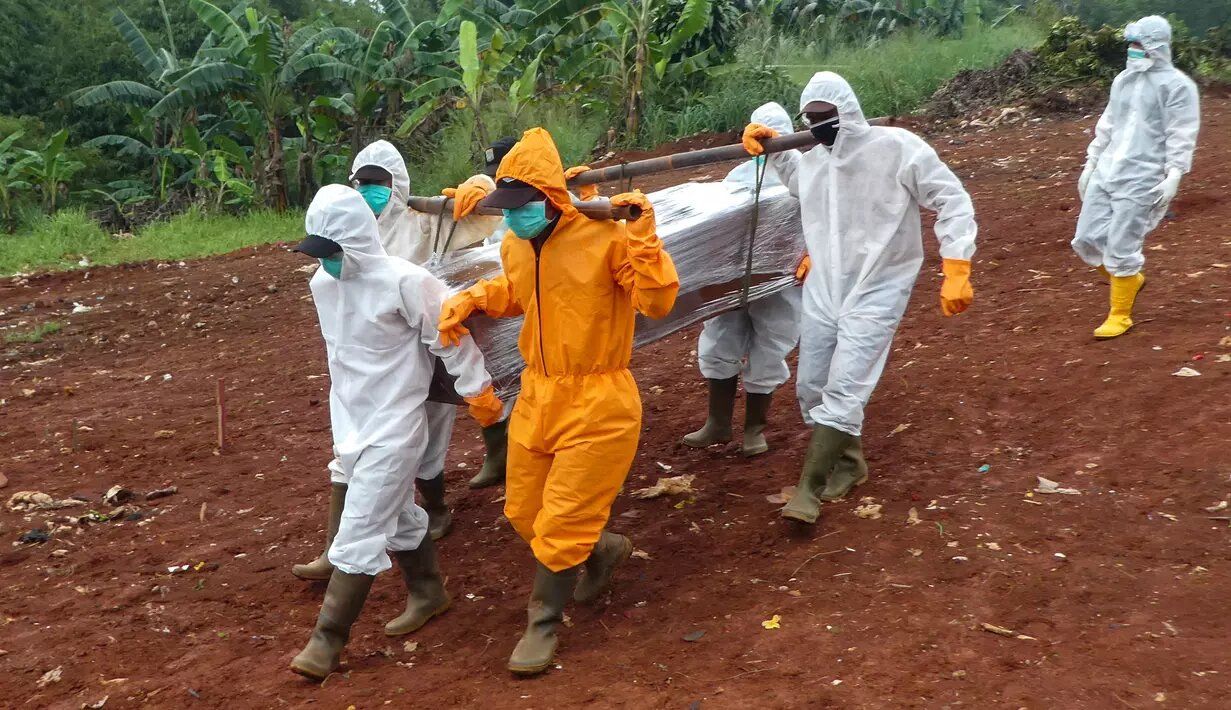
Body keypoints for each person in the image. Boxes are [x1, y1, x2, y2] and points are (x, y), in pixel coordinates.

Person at [438, 127, 679, 676]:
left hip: (599, 398)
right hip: (538, 392)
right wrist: (472, 297)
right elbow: (522, 293)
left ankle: (542, 623)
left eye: (523, 205)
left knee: (565, 518)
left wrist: (643, 235)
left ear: (552, 198)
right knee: (523, 510)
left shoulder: (607, 240)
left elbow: (659, 302)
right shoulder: (515, 243)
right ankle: (604, 550)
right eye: (507, 207)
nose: (514, 216)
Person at [288, 184, 503, 681]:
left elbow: (450, 336)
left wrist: (480, 394)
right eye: (320, 253)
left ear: (360, 241)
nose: (328, 264)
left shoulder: (408, 281)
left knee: (361, 527)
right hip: (350, 419)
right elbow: (340, 357)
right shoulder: (324, 283)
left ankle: (326, 642)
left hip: (398, 426)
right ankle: (428, 591)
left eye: (335, 253)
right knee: (399, 514)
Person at [742, 71, 977, 525]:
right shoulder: (814, 161)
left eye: (825, 116)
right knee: (811, 386)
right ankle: (850, 462)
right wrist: (768, 147)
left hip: (880, 286)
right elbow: (795, 177)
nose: (818, 126)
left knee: (847, 385)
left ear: (847, 112)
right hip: (826, 286)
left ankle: (807, 491)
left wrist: (957, 264)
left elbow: (952, 200)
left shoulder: (897, 149)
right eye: (809, 119)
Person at [682, 101, 807, 457]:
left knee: (771, 344)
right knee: (720, 338)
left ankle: (754, 429)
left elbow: (819, 217)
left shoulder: (804, 174)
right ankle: (717, 423)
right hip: (733, 276)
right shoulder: (738, 176)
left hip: (780, 279)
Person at [1072, 15, 1199, 339]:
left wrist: (1173, 174)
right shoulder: (1123, 81)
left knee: (1122, 244)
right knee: (1086, 238)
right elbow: (1108, 123)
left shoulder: (1177, 87)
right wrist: (1091, 163)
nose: (1132, 50)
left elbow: (1181, 133)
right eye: (1130, 44)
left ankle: (1120, 314)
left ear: (1156, 46)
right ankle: (1129, 279)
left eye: (1139, 45)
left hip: (1144, 175)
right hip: (1108, 169)